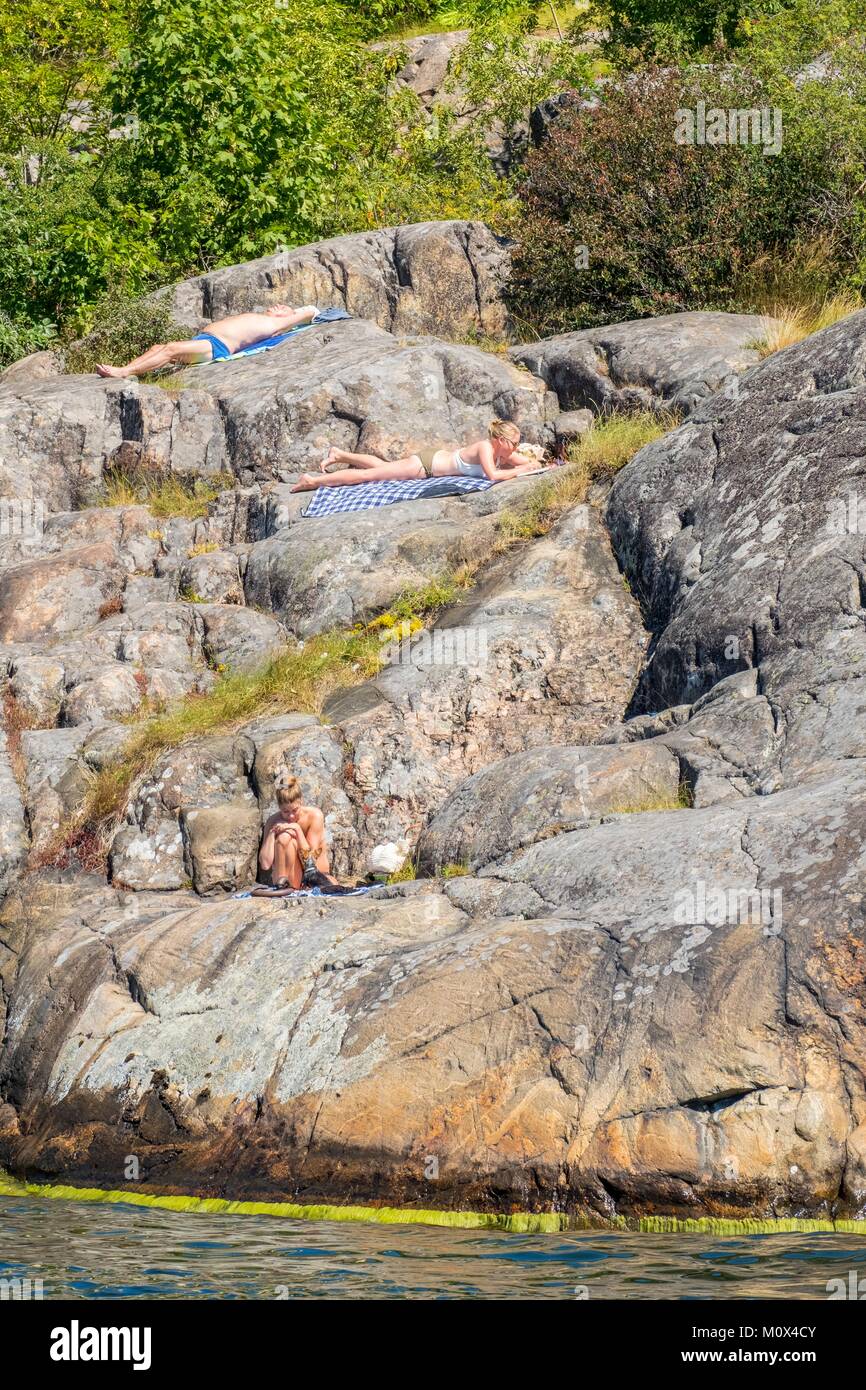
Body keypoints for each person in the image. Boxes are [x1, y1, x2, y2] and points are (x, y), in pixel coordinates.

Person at [289, 419, 547, 492]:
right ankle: (313, 481)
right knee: (370, 476)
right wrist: (519, 470)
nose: (517, 447)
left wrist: (533, 463)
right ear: (501, 440)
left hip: (431, 461)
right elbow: (492, 476)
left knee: (385, 466)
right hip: (424, 466)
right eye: (514, 443)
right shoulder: (486, 448)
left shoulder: (503, 453)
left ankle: (340, 454)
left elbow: (530, 464)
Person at [95, 303, 319, 378]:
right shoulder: (262, 318)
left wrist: (296, 314)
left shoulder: (276, 324)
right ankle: (131, 372)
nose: (278, 305)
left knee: (171, 349)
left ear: (288, 316)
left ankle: (123, 372)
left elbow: (309, 312)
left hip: (216, 347)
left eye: (283, 307)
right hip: (205, 339)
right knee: (158, 348)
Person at [258, 776, 335, 890]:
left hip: (316, 875)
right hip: (291, 878)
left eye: (295, 810)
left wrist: (297, 829)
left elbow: (310, 861)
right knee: (284, 837)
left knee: (332, 885)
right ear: (279, 807)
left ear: (301, 801)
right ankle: (285, 885)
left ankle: (293, 887)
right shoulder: (273, 821)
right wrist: (272, 833)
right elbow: (265, 864)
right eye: (285, 811)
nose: (291, 816)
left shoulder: (314, 816)